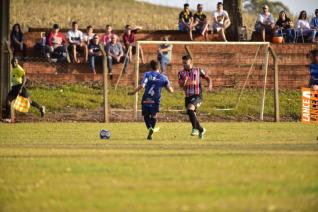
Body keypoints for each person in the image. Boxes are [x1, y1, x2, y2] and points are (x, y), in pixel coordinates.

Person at [128, 60, 174, 140]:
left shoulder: (147, 74)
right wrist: (172, 89)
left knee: (146, 115)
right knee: (154, 115)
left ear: (150, 67)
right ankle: (151, 129)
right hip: (156, 100)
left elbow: (142, 85)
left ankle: (149, 128)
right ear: (159, 67)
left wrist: (133, 92)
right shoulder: (163, 77)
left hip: (146, 98)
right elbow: (170, 90)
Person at [178, 55, 212, 139]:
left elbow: (207, 77)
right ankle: (200, 129)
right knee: (191, 113)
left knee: (190, 109)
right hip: (187, 97)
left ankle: (195, 129)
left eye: (185, 63)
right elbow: (180, 85)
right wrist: (185, 81)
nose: (184, 64)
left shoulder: (198, 70)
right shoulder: (181, 73)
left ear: (191, 62)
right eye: (183, 63)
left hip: (197, 95)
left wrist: (210, 84)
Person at [3, 58, 45, 123]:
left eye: (16, 62)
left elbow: (24, 78)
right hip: (14, 88)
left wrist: (20, 88)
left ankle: (41, 108)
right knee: (8, 101)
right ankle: (8, 118)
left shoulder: (19, 69)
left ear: (17, 62)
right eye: (13, 62)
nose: (14, 63)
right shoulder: (13, 69)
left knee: (29, 101)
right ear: (11, 62)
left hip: (20, 87)